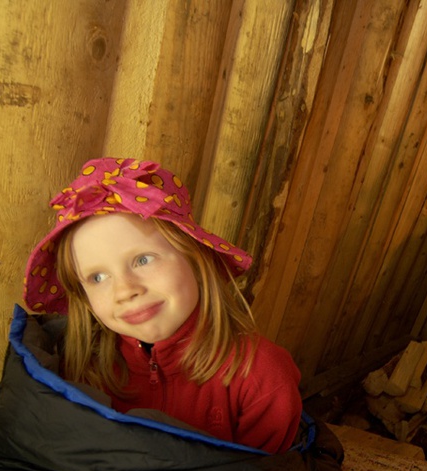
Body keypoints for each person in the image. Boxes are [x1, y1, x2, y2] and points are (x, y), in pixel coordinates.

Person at [23, 156, 302, 454]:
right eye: (98, 277)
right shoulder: (78, 370)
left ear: (196, 260)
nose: (125, 290)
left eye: (143, 259)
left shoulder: (263, 377)